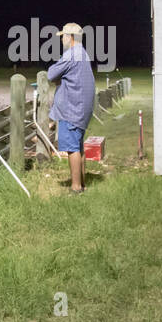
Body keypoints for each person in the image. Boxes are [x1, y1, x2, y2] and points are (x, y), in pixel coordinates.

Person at [47, 22, 96, 194]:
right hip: (82, 109)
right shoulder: (82, 53)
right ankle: (82, 183)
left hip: (72, 109)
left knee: (72, 149)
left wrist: (59, 78)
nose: (62, 40)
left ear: (70, 37)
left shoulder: (71, 55)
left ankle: (76, 188)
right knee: (79, 147)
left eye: (63, 37)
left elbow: (51, 74)